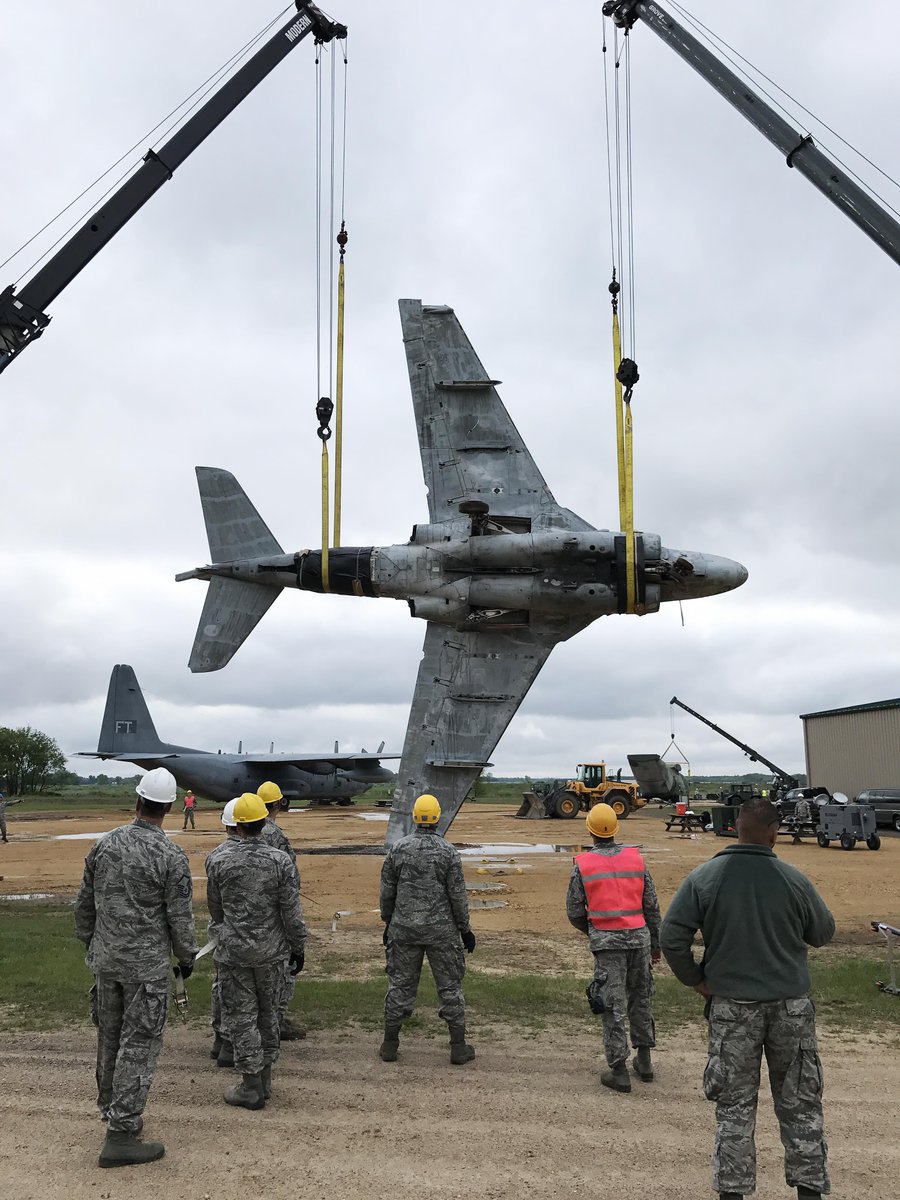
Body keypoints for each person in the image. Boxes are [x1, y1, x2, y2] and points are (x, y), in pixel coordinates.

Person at [660, 796, 835, 1200]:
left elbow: (672, 936)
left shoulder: (706, 877)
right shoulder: (794, 879)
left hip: (732, 1009)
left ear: (735, 828)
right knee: (801, 1104)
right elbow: (823, 933)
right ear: (774, 833)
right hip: (790, 1007)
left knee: (734, 1108)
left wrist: (696, 980)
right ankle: (809, 1192)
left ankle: (733, 1193)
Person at [73, 767, 198, 1168]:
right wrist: (187, 956)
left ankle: (114, 1112)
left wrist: (92, 942)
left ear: (138, 800)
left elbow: (84, 907)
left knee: (110, 1040)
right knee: (139, 1046)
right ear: (169, 807)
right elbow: (180, 917)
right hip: (144, 970)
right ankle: (121, 1134)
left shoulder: (103, 845)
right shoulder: (171, 856)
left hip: (107, 963)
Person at [205, 792, 307, 1110]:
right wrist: (298, 946)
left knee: (241, 1017)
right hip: (272, 953)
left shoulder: (218, 859)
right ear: (264, 822)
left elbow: (216, 911)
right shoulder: (280, 862)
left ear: (237, 824)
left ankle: (251, 1085)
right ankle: (264, 1080)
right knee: (268, 1014)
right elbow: (292, 913)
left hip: (235, 952)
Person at [566, 802, 661, 1092]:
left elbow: (574, 910)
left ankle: (618, 1069)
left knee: (612, 1004)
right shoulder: (636, 860)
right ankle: (644, 1060)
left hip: (607, 944)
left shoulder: (583, 864)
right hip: (639, 941)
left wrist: (594, 931)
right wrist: (655, 944)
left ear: (590, 830)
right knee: (640, 998)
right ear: (616, 829)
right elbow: (652, 907)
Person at [379, 792, 476, 1065]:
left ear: (414, 817)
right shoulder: (448, 851)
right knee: (450, 988)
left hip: (404, 929)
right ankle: (458, 1047)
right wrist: (465, 929)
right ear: (437, 818)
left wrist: (388, 922)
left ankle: (389, 1045)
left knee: (399, 986)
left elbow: (387, 891)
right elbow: (458, 895)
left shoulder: (398, 849)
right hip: (442, 933)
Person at [256, 781, 304, 1042]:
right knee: (282, 973)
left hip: (243, 919)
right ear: (278, 803)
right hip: (274, 918)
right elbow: (291, 883)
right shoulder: (277, 836)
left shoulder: (240, 833)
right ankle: (277, 1022)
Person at [208, 798, 240, 1067]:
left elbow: (214, 905)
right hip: (259, 940)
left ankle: (221, 1040)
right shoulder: (273, 858)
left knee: (221, 986)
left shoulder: (215, 857)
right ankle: (237, 1047)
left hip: (223, 935)